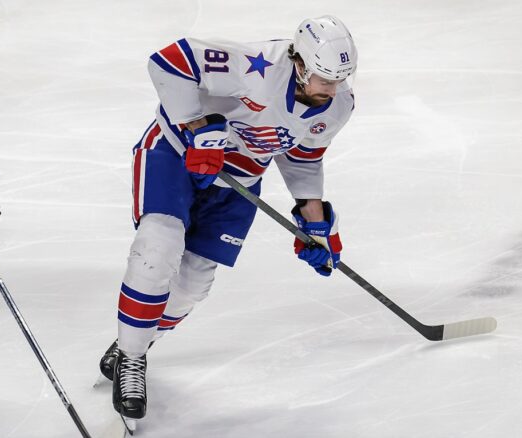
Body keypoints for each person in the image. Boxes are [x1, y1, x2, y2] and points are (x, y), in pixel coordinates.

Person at [100, 16, 357, 421]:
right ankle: (132, 359)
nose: (334, 88)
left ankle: (135, 340)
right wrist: (197, 127)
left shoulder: (338, 106)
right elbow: (168, 62)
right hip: (175, 155)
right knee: (157, 248)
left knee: (193, 284)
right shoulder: (258, 66)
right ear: (302, 64)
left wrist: (315, 222)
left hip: (238, 181)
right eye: (325, 77)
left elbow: (303, 160)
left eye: (341, 78)